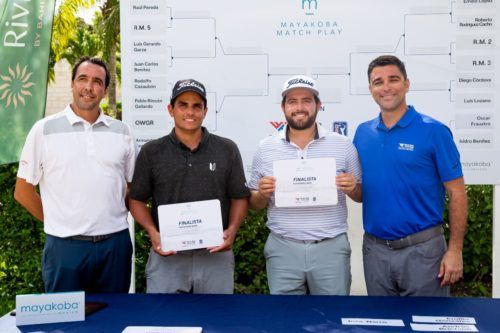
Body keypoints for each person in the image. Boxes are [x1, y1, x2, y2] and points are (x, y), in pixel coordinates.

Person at [14, 56, 136, 293]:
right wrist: (58, 223)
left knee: (114, 322)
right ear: (72, 84)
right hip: (64, 248)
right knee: (65, 326)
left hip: (114, 246)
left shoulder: (123, 132)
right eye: (82, 79)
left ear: (104, 89)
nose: (89, 87)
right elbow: (22, 191)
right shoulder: (43, 129)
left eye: (97, 81)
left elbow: (131, 188)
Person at [353, 55, 468, 296]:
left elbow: (457, 192)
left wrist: (455, 250)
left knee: (428, 324)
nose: (386, 87)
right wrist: (349, 187)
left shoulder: (434, 131)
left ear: (407, 84)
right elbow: (364, 193)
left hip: (423, 251)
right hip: (375, 252)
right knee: (381, 326)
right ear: (370, 89)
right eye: (378, 82)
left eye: (393, 79)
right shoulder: (362, 133)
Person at [129, 79, 249, 294]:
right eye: (183, 105)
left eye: (197, 106)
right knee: (165, 323)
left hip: (215, 255)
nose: (190, 111)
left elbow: (240, 197)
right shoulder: (152, 152)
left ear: (205, 111)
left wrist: (232, 230)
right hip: (168, 256)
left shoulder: (227, 149)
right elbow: (136, 199)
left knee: (218, 322)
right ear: (170, 110)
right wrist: (152, 232)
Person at [248, 75, 362, 295]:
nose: (299, 107)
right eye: (292, 101)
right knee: (285, 320)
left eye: (306, 100)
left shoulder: (343, 145)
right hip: (283, 248)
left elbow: (361, 195)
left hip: (330, 248)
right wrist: (261, 194)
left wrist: (352, 188)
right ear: (283, 108)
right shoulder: (265, 148)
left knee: (333, 319)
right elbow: (254, 204)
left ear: (318, 105)